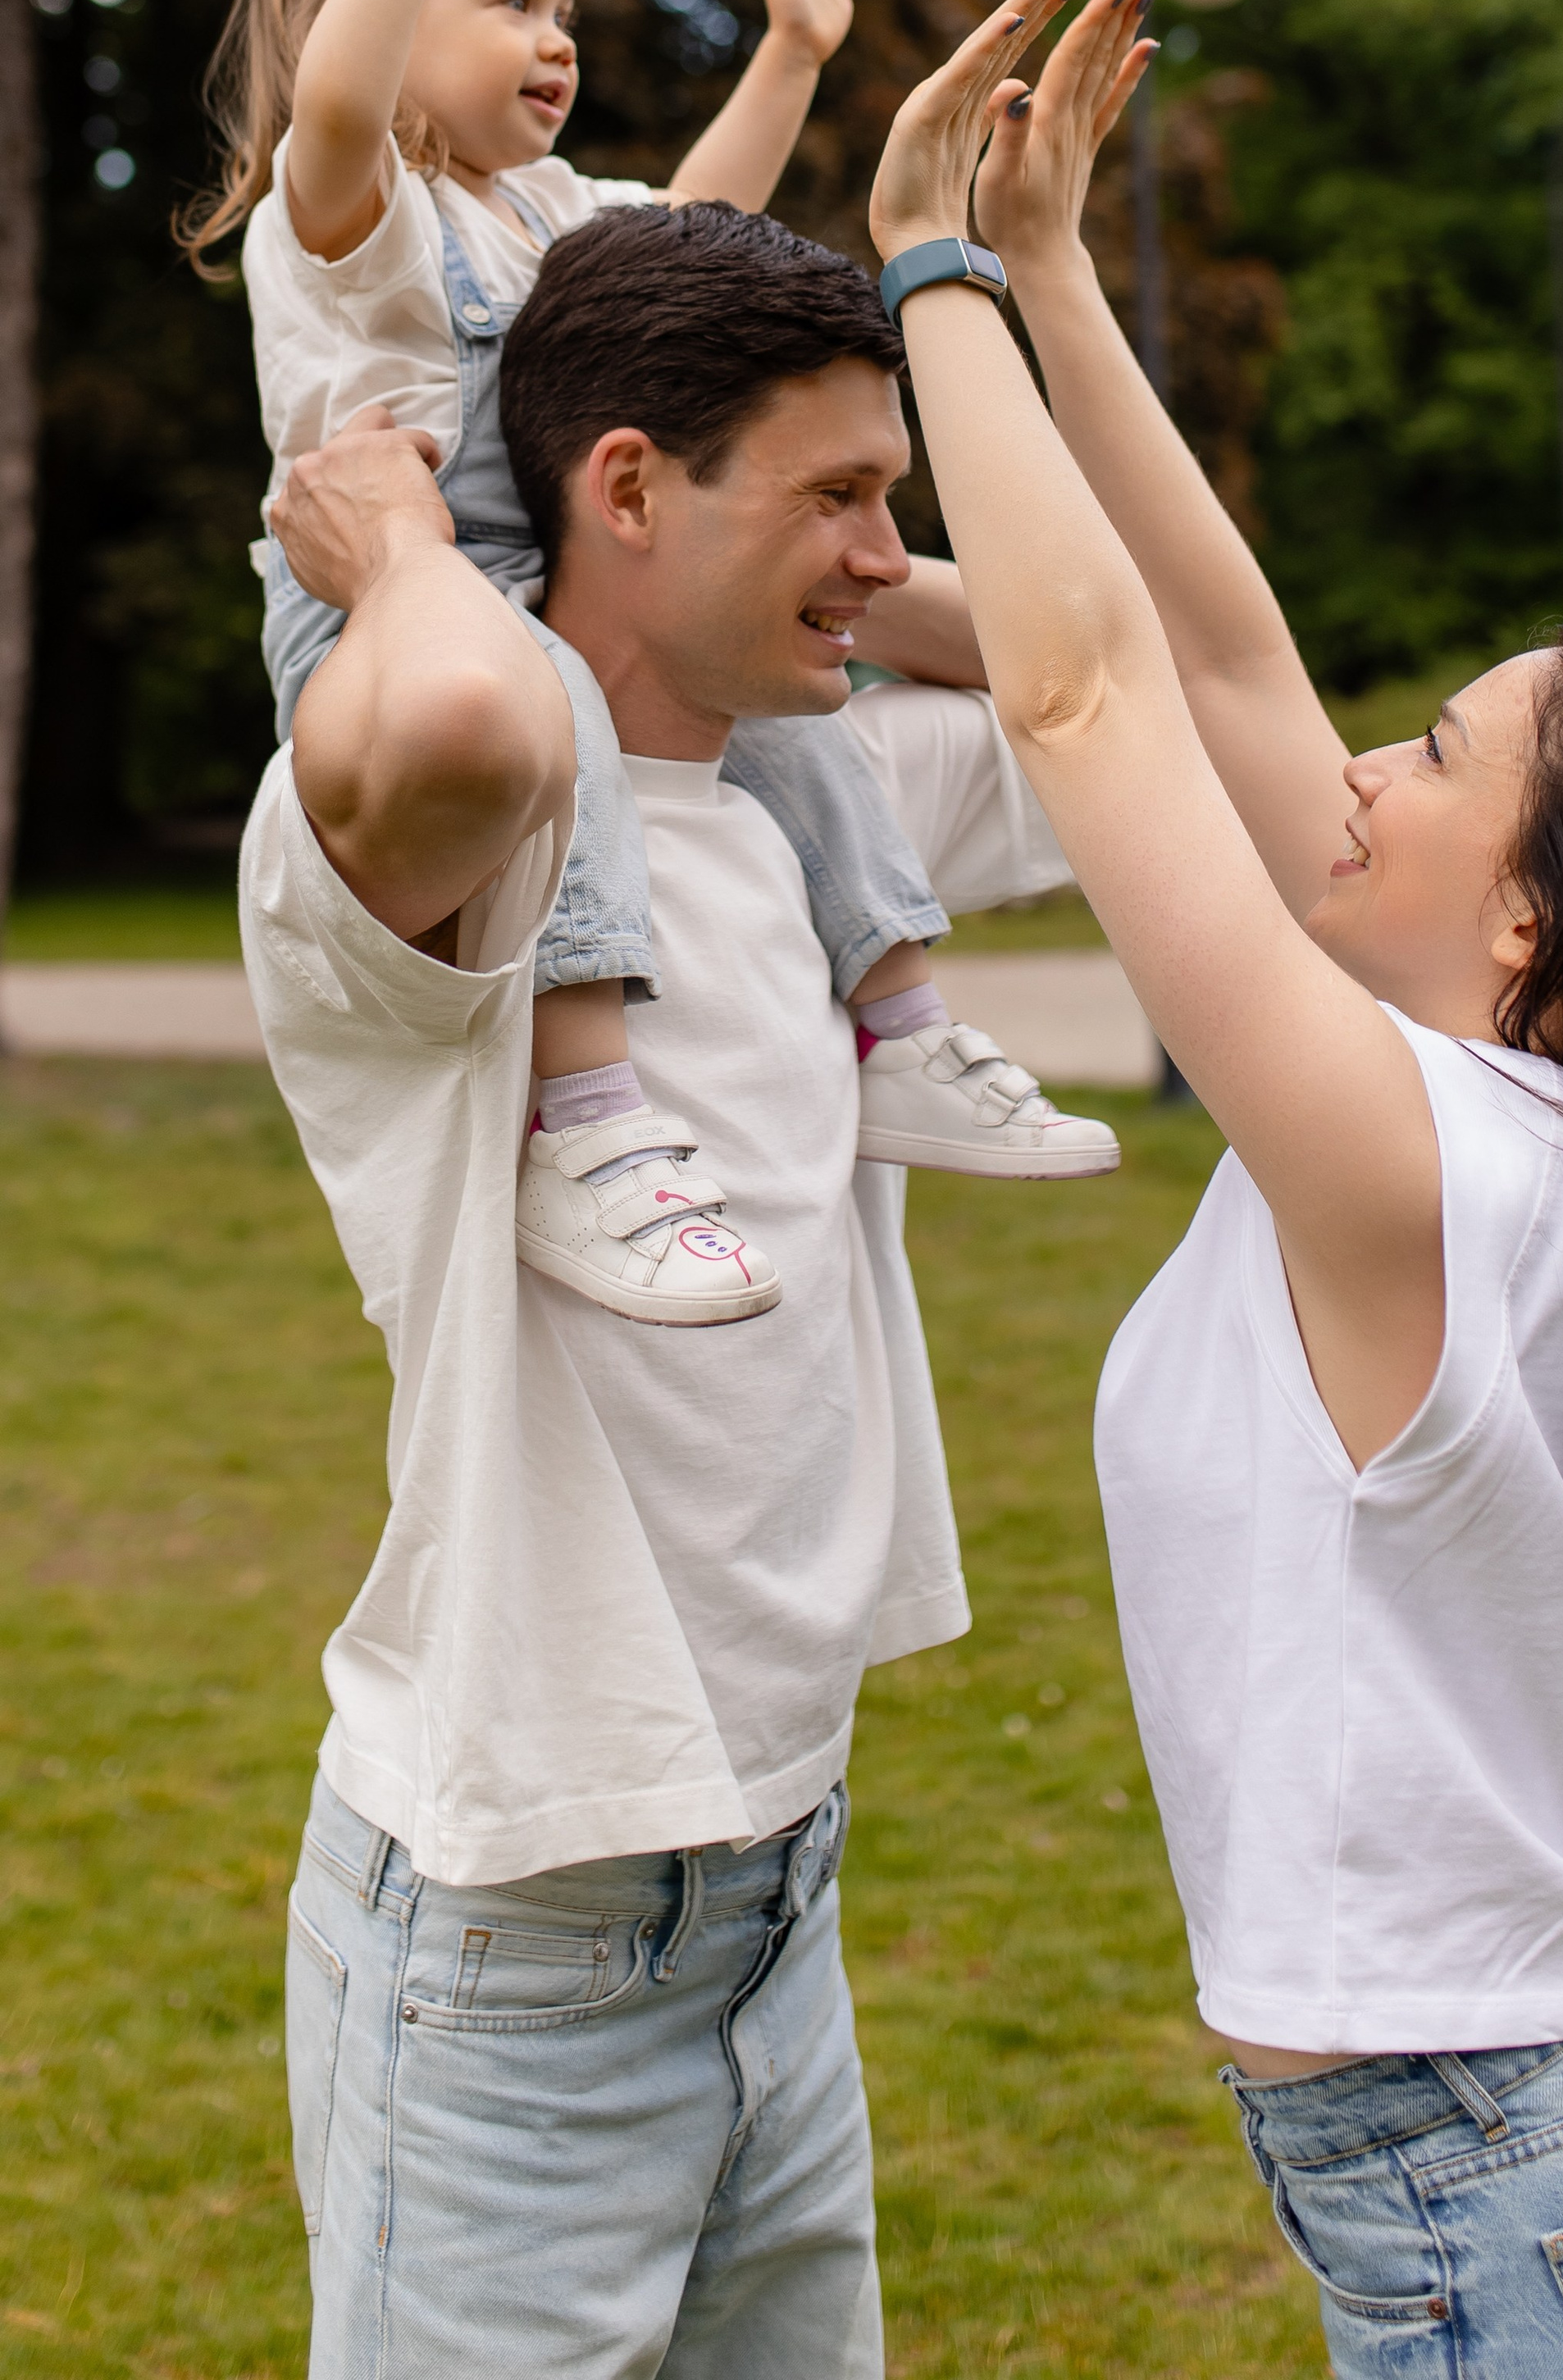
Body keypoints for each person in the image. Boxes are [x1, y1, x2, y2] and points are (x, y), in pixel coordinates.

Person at [864, 0, 1563, 2377]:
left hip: (1522, 2198)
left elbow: (1089, 694)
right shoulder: (1559, 1132)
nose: (1363, 765)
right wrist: (1052, 279)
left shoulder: (1419, 1168)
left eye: (1431, 753)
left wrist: (926, 275)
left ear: (1530, 918)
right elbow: (1217, 675)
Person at [243, 176, 1091, 2374]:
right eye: (835, 495)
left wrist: (989, 279)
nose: (885, 555)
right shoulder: (456, 858)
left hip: (776, 1902)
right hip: (526, 1932)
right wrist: (411, 545)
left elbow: (1118, 653)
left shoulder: (820, 802)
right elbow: (458, 730)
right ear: (624, 486)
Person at [189, 0, 1114, 1327]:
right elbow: (334, 114)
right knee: (560, 727)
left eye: (562, 6)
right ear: (382, 18)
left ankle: (897, 1023)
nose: (557, 40)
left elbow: (695, 235)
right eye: (510, 2)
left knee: (806, 719)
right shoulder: (350, 216)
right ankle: (592, 1125)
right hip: (391, 608)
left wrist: (794, 57)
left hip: (561, 577)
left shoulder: (549, 208)